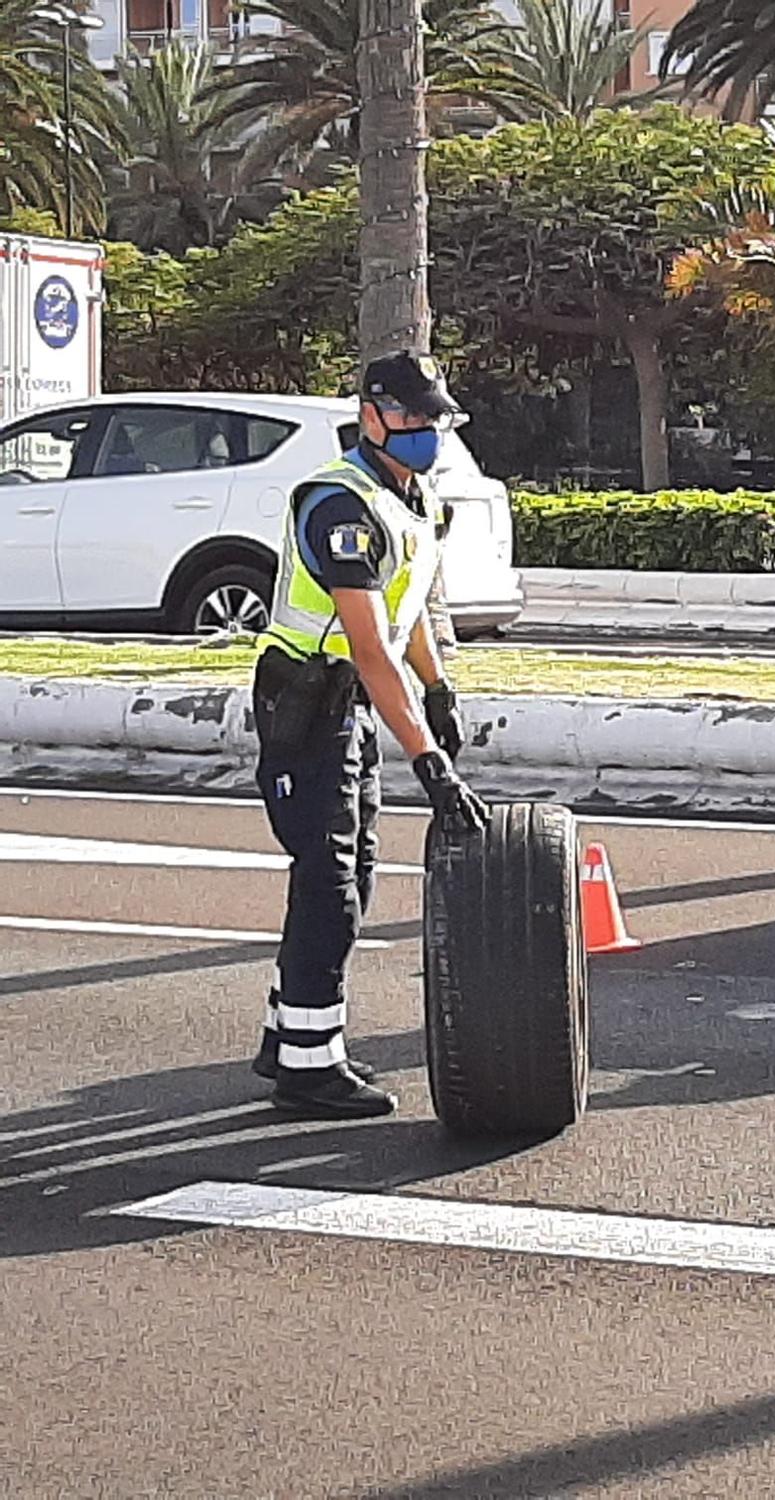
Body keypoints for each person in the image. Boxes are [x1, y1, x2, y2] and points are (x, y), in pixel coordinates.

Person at [249, 350, 491, 1119]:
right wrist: (427, 760)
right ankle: (308, 1068)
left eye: (435, 420)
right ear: (372, 416)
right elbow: (367, 642)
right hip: (306, 701)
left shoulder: (410, 498)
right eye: (412, 419)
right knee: (327, 883)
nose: (426, 432)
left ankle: (285, 1032)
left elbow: (409, 604)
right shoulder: (338, 506)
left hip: (352, 703)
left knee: (354, 874)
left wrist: (440, 686)